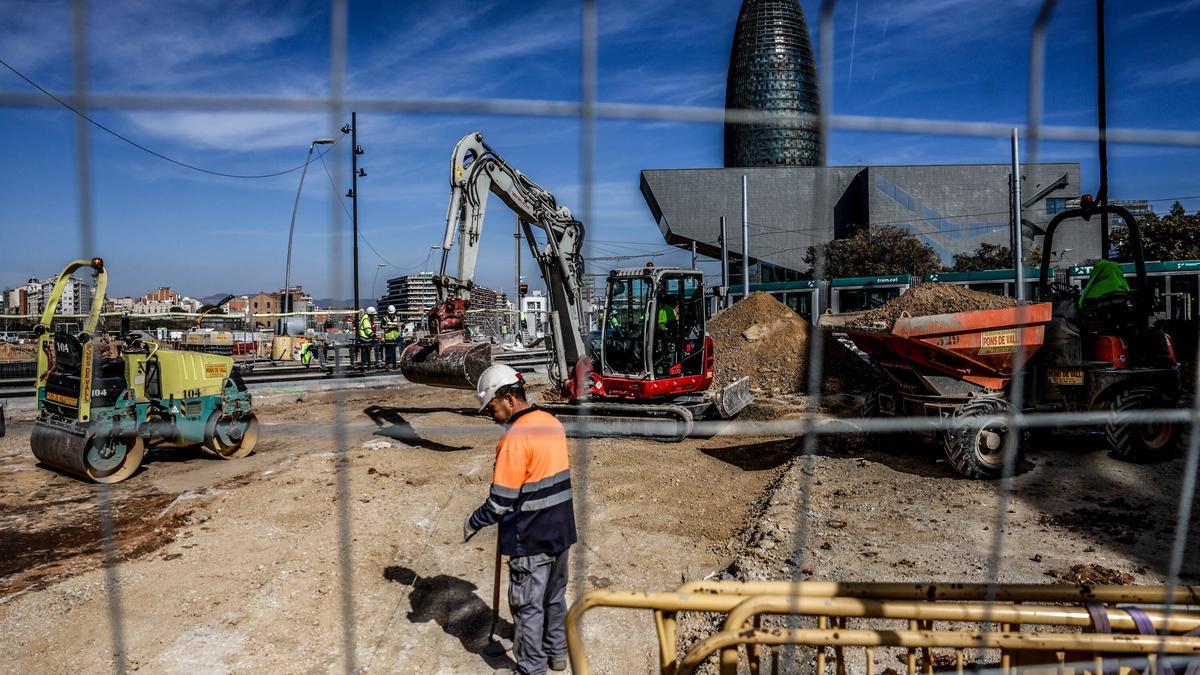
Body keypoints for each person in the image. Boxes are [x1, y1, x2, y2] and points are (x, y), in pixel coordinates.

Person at [465, 365, 576, 675]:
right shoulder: (551, 422)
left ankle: (531, 668)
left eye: (492, 406)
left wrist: (474, 521)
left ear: (508, 398)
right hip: (561, 530)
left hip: (530, 538)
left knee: (527, 608)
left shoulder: (514, 439)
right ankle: (557, 655)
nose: (490, 414)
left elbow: (501, 501)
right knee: (554, 599)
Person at [382, 305, 401, 369]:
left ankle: (394, 365)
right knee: (389, 353)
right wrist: (388, 327)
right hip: (388, 338)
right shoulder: (385, 318)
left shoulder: (398, 318)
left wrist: (400, 325)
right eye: (390, 314)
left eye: (392, 314)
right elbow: (382, 326)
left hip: (396, 337)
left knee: (394, 352)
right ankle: (388, 364)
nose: (392, 315)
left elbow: (402, 324)